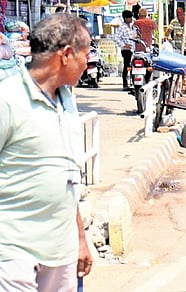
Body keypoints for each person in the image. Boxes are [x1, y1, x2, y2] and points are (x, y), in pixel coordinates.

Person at [0, 13, 93, 290]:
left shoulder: (66, 102)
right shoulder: (8, 99)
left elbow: (66, 179)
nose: (88, 63)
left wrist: (80, 240)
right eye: (85, 55)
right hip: (12, 253)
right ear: (66, 55)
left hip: (61, 253)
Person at [113, 10, 136, 91]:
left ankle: (134, 83)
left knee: (135, 66)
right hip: (126, 50)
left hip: (135, 49)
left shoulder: (134, 25)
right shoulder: (122, 27)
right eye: (129, 18)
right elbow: (115, 38)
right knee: (127, 66)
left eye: (131, 17)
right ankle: (125, 84)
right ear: (125, 18)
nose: (130, 19)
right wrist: (124, 45)